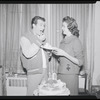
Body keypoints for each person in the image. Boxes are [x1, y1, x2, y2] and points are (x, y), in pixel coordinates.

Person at [52, 16, 84, 95]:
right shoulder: (62, 41)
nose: (62, 28)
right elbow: (61, 59)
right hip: (60, 74)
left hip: (70, 76)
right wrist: (54, 52)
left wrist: (64, 54)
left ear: (70, 28)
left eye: (64, 26)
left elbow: (80, 62)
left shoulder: (75, 41)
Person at [20, 16, 51, 95]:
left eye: (44, 25)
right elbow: (27, 53)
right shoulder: (25, 37)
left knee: (45, 94)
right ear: (34, 25)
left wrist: (49, 53)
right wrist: (40, 40)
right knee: (32, 94)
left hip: (45, 71)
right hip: (34, 72)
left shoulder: (41, 37)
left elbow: (42, 55)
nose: (43, 28)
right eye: (41, 25)